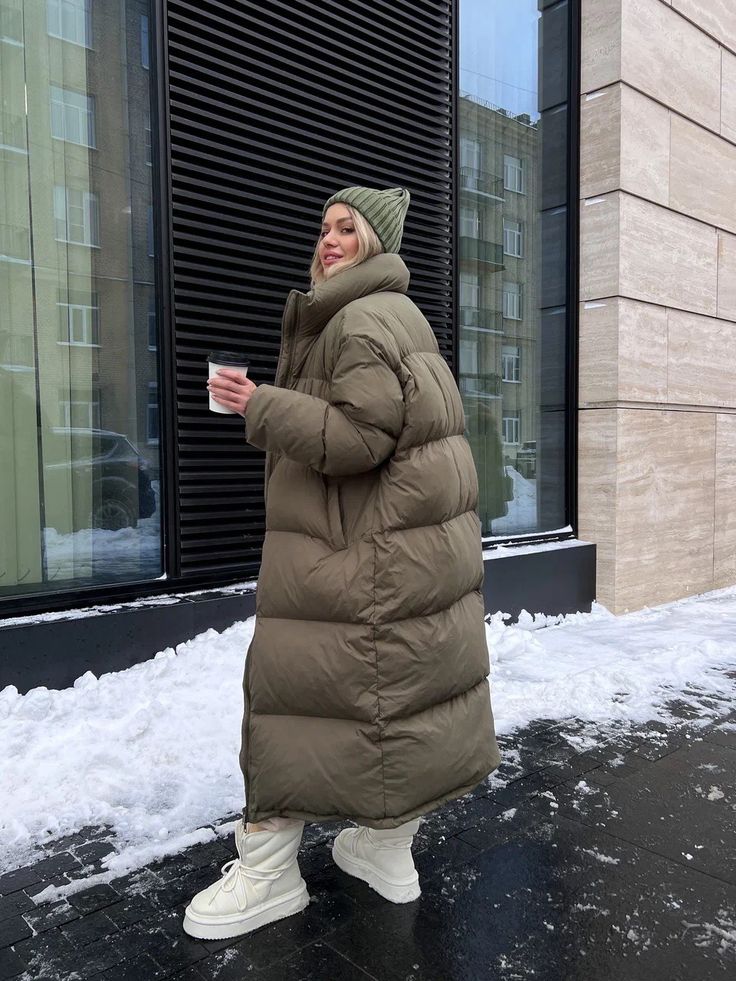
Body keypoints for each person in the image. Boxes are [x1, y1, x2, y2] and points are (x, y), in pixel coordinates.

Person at [183, 185, 501, 940]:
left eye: (347, 228)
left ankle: (267, 875)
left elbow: (361, 436)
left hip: (352, 558)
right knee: (389, 696)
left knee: (291, 693)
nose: (329, 239)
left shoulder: (356, 320)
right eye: (325, 226)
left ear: (377, 244)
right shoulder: (394, 314)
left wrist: (256, 404)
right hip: (393, 555)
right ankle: (384, 850)